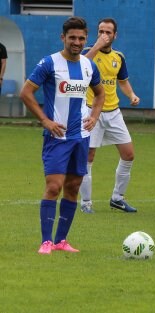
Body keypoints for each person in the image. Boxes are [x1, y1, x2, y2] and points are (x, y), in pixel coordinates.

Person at [19, 17, 105, 254]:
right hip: (57, 137)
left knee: (74, 186)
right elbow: (26, 92)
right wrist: (45, 121)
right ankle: (46, 241)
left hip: (81, 136)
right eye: (72, 38)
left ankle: (61, 241)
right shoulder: (49, 63)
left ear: (85, 39)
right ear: (63, 38)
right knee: (54, 187)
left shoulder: (89, 66)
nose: (77, 42)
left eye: (81, 38)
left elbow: (100, 93)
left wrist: (95, 116)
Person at [79, 18, 140, 213]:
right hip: (90, 111)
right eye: (101, 31)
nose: (104, 35)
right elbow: (80, 68)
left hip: (114, 113)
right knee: (88, 156)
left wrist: (131, 94)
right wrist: (96, 47)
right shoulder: (87, 53)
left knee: (128, 154)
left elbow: (122, 80)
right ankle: (86, 203)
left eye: (108, 32)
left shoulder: (119, 57)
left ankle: (117, 198)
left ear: (115, 35)